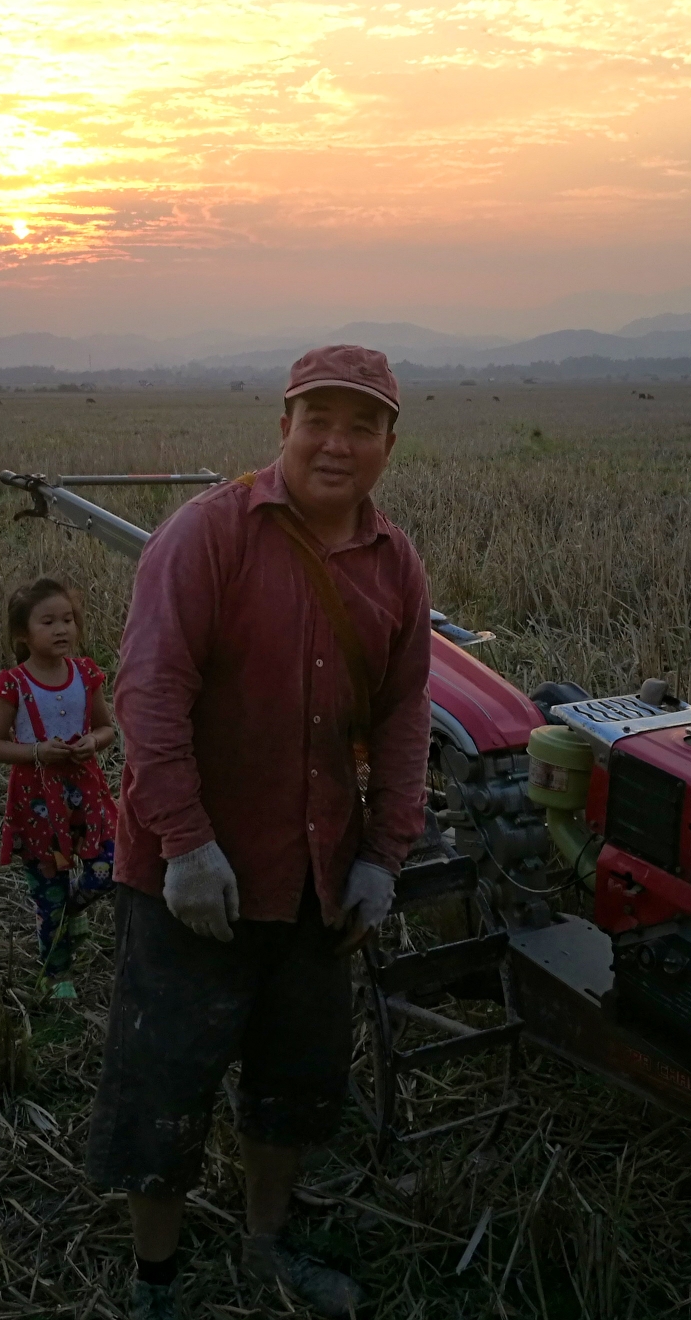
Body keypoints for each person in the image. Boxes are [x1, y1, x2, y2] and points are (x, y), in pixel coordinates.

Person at [86, 345, 432, 1318]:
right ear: (282, 424)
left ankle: (266, 1241)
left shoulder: (393, 562)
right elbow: (149, 697)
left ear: (388, 444)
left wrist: (383, 856)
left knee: (294, 1080)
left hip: (319, 876)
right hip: (189, 880)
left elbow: (406, 716)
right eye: (318, 419)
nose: (336, 443)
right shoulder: (205, 538)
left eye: (361, 425)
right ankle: (156, 1278)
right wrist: (187, 844)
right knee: (167, 1079)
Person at [0, 577, 119, 1001]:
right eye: (48, 622)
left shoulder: (86, 673)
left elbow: (106, 728)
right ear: (23, 634)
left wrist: (90, 743)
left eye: (68, 619)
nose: (62, 629)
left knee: (111, 868)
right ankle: (55, 973)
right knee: (49, 893)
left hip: (87, 790)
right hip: (38, 801)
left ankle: (77, 906)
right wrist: (38, 751)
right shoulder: (13, 684)